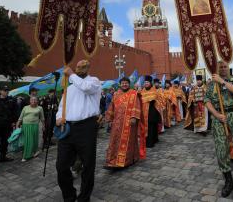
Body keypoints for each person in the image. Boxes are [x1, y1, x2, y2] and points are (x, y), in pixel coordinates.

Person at [55, 60, 101, 202]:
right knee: (61, 166)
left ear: (88, 68)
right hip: (67, 128)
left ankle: (84, 197)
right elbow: (62, 106)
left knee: (88, 165)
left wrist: (71, 74)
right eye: (78, 66)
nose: (80, 68)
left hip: (86, 127)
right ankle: (69, 196)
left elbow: (86, 88)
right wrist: (58, 117)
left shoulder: (94, 81)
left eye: (84, 66)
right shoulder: (69, 87)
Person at [204, 61, 233, 198]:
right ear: (217, 68)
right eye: (220, 67)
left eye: (225, 67)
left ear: (228, 68)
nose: (223, 69)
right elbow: (207, 101)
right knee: (221, 149)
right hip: (219, 118)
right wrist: (217, 115)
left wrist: (222, 81)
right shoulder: (211, 84)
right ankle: (229, 180)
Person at [105, 77, 141, 168]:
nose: (124, 84)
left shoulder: (133, 93)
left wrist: (134, 117)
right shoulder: (116, 94)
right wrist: (109, 119)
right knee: (115, 140)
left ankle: (126, 160)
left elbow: (136, 105)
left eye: (126, 83)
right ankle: (113, 159)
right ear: (120, 84)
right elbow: (111, 107)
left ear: (129, 84)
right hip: (117, 122)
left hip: (129, 122)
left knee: (128, 141)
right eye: (123, 83)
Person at [0, 85, 17, 164]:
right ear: (0, 91)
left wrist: (13, 121)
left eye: (7, 90)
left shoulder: (12, 100)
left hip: (7, 124)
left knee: (5, 142)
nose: (6, 92)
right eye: (5, 90)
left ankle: (3, 157)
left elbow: (15, 112)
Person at [140, 76, 163, 155]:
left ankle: (151, 142)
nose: (146, 84)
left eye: (147, 82)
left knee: (152, 126)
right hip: (144, 112)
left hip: (152, 111)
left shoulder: (154, 91)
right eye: (145, 82)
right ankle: (148, 140)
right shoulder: (142, 91)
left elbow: (156, 99)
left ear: (150, 83)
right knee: (147, 127)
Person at [16, 96, 45, 162]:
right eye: (32, 100)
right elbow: (21, 117)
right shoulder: (25, 107)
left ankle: (35, 151)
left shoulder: (40, 108)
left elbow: (42, 118)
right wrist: (17, 124)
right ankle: (26, 155)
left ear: (37, 101)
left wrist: (43, 126)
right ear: (30, 101)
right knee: (27, 141)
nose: (34, 101)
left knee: (34, 140)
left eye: (35, 100)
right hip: (25, 126)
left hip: (35, 126)